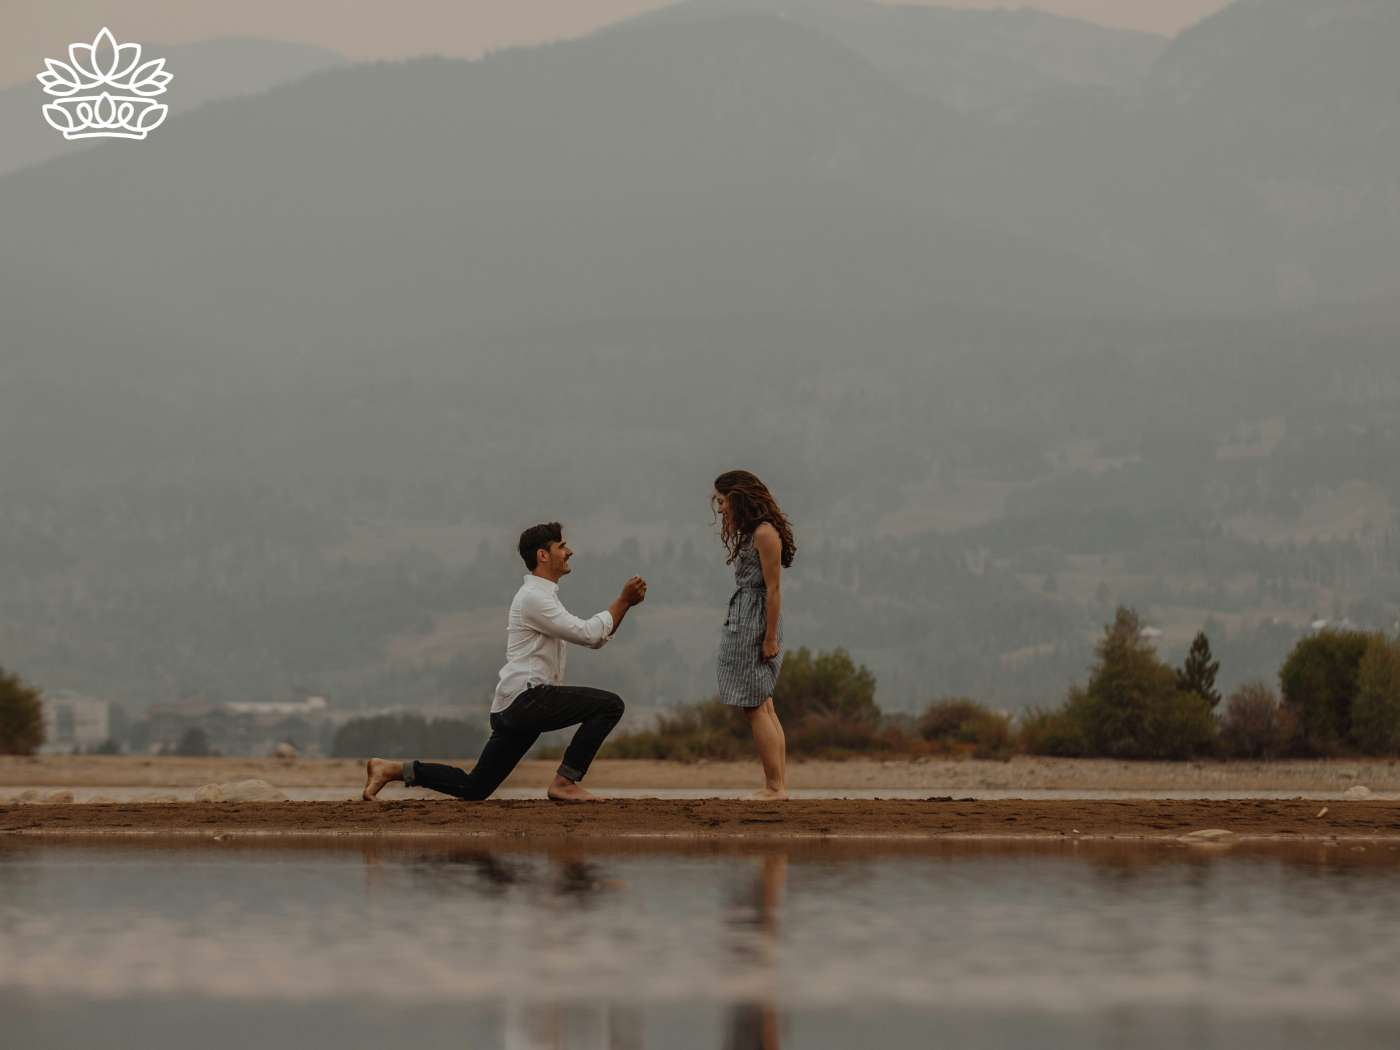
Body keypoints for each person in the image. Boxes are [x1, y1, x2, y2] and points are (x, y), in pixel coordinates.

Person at [362, 522, 646, 802]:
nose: (569, 551)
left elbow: (594, 637)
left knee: (474, 788)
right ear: (542, 555)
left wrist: (624, 605)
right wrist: (623, 601)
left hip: (513, 707)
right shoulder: (534, 598)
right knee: (610, 706)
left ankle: (391, 770)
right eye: (562, 546)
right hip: (527, 701)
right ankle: (565, 782)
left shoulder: (542, 596)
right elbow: (589, 635)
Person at [712, 470, 795, 801]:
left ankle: (775, 786)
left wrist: (770, 637)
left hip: (753, 619)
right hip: (745, 613)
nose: (720, 509)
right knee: (763, 704)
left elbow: (773, 590)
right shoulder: (753, 532)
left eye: (722, 501)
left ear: (737, 497)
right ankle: (778, 784)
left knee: (755, 705)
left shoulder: (764, 534)